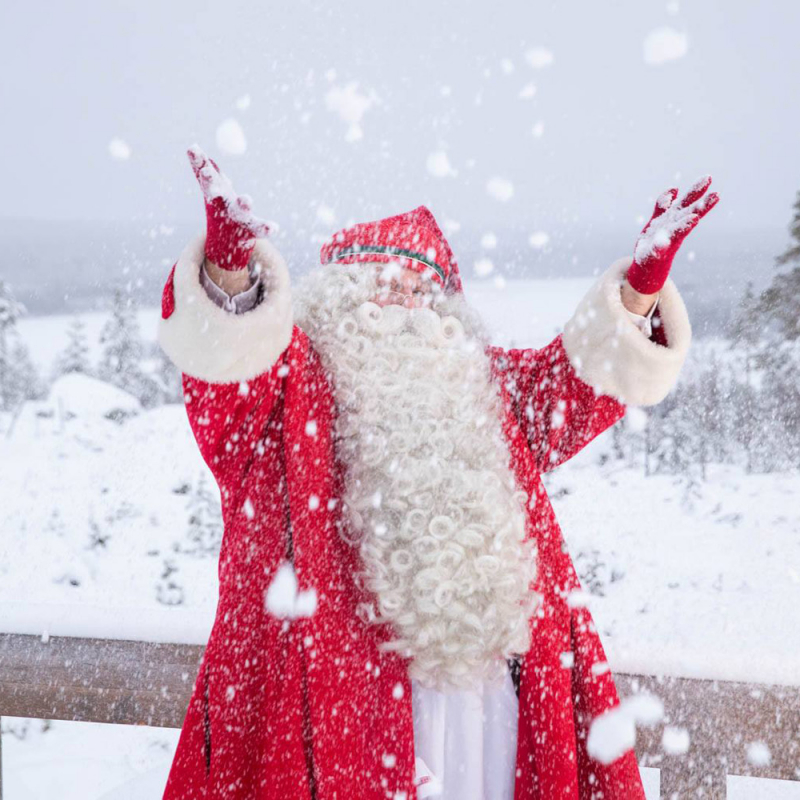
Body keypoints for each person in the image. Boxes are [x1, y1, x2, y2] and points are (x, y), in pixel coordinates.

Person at [157, 146, 718, 799]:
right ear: (332, 299)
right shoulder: (289, 397)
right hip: (347, 722)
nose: (398, 297)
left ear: (447, 317)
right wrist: (227, 275)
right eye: (374, 283)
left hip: (495, 718)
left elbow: (578, 387)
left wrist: (637, 291)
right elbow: (227, 384)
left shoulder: (488, 392)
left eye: (419, 286)